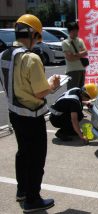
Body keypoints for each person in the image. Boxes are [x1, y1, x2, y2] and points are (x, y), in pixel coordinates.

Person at [0, 14, 60, 212]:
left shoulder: (5, 55)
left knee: (23, 153)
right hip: (31, 116)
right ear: (33, 34)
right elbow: (40, 91)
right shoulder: (31, 58)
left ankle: (22, 191)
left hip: (14, 113)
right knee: (36, 158)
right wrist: (53, 85)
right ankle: (32, 199)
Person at [62, 22, 88, 90]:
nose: (76, 33)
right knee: (72, 92)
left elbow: (86, 52)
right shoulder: (65, 42)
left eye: (77, 31)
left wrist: (75, 54)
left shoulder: (80, 40)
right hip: (72, 71)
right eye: (74, 31)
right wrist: (80, 54)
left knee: (81, 92)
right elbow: (69, 58)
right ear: (70, 31)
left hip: (82, 69)